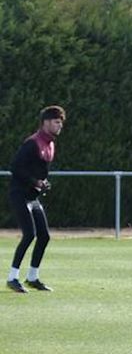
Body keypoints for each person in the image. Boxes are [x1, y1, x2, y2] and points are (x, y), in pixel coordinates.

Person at [6, 106, 66, 293]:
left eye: (61, 122)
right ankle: (12, 278)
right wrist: (34, 182)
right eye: (56, 122)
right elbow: (15, 168)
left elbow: (39, 170)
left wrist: (43, 183)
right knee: (29, 235)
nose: (59, 126)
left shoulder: (50, 144)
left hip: (33, 198)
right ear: (46, 122)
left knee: (44, 236)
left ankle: (32, 277)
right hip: (20, 195)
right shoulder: (32, 143)